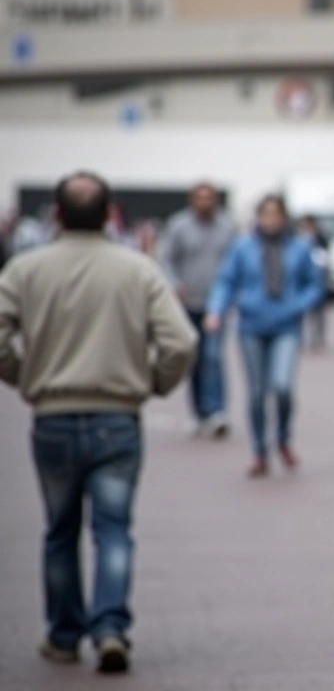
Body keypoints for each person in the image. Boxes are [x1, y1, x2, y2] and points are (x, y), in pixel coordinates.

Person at [0, 171, 197, 674]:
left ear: (57, 215)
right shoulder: (138, 270)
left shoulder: (26, 271)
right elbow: (182, 341)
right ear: (111, 214)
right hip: (118, 416)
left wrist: (24, 374)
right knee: (113, 529)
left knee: (59, 531)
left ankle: (64, 634)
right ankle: (111, 627)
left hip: (53, 416)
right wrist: (153, 381)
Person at [205, 195, 326, 478]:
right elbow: (226, 281)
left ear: (284, 217)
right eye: (265, 215)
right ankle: (260, 451)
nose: (270, 220)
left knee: (282, 387)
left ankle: (283, 438)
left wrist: (298, 306)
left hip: (286, 325)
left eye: (276, 215)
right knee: (257, 393)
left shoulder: (299, 247)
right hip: (252, 326)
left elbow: (315, 285)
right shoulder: (243, 247)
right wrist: (216, 310)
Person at [160, 181, 238, 438]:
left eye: (210, 198)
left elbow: (236, 262)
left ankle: (216, 411)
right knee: (194, 359)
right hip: (188, 303)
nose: (205, 203)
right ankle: (199, 412)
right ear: (192, 200)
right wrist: (175, 285)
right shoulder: (178, 226)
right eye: (200, 198)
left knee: (214, 356)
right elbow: (166, 260)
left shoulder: (227, 227)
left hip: (216, 305)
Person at [296, 214, 331, 352]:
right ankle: (302, 338)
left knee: (319, 312)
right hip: (302, 281)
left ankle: (318, 338)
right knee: (303, 313)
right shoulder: (297, 238)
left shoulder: (320, 238)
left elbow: (326, 254)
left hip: (318, 277)